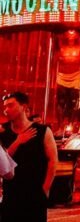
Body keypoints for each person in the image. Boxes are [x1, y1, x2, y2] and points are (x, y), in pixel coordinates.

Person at [0, 92, 57, 222]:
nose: (6, 110)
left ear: (24, 107)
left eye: (11, 106)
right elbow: (2, 163)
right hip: (11, 193)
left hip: (35, 192)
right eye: (5, 107)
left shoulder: (42, 131)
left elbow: (53, 160)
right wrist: (18, 142)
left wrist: (45, 189)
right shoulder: (3, 132)